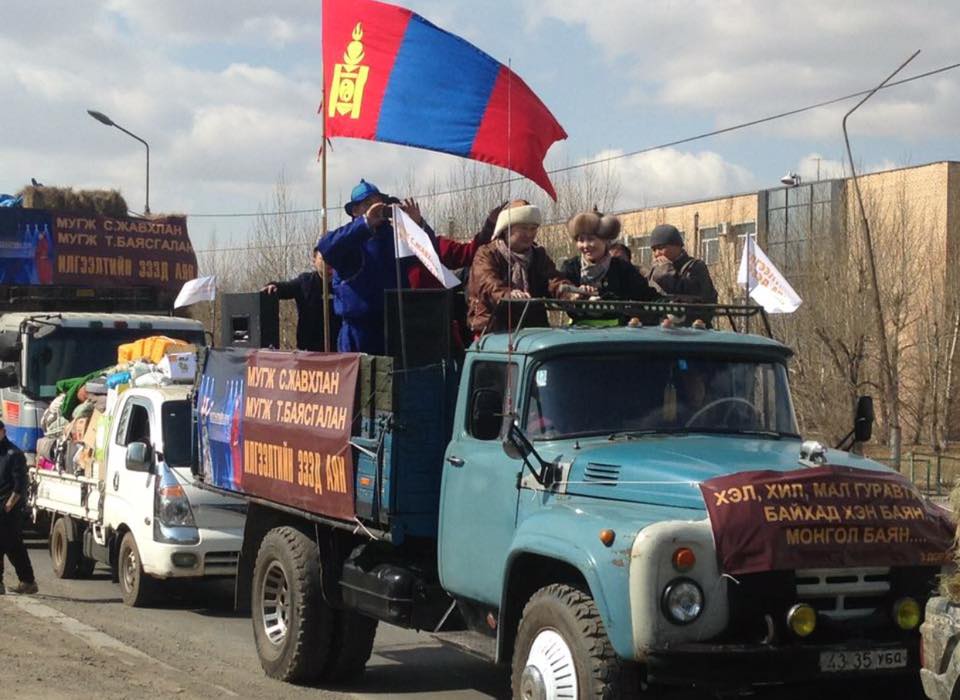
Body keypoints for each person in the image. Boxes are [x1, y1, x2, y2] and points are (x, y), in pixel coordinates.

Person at [317, 179, 496, 354]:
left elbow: (431, 253)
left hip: (396, 328)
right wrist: (366, 222)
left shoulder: (396, 236)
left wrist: (417, 224)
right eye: (368, 204)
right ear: (355, 211)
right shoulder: (349, 240)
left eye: (379, 202)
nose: (376, 208)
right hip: (359, 333)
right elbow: (326, 248)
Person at [467, 200, 580, 335]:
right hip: (493, 329)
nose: (529, 234)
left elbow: (553, 280)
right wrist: (508, 294)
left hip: (533, 330)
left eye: (533, 229)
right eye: (524, 228)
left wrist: (569, 292)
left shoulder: (538, 255)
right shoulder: (487, 254)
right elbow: (487, 284)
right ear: (507, 229)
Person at [559, 212, 659, 325]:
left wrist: (668, 311)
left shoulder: (621, 268)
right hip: (577, 333)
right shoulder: (571, 268)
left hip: (616, 333)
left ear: (605, 240)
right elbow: (558, 294)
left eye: (591, 239)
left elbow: (648, 296)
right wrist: (573, 296)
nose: (585, 245)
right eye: (581, 240)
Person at [261, 246, 340, 351]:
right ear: (314, 261)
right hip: (308, 351)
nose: (328, 262)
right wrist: (273, 286)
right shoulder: (305, 282)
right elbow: (286, 288)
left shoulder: (344, 284)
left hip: (339, 351)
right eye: (323, 258)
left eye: (331, 257)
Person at [0, 421, 37, 595]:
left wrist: (9, 506)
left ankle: (23, 581)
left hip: (9, 508)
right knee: (14, 546)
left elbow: (20, 485)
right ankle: (27, 581)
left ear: (3, 431)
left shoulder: (14, 454)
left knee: (8, 544)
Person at [646, 224, 718, 304]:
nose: (657, 254)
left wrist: (667, 271)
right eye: (654, 249)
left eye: (661, 248)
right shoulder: (655, 270)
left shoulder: (695, 267)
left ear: (677, 246)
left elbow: (690, 294)